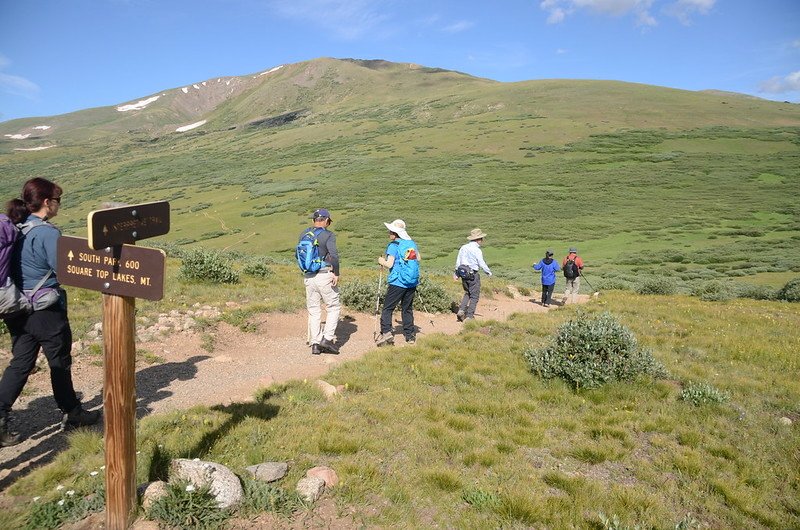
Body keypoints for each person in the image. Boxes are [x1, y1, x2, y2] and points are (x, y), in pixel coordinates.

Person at [1, 178, 100, 447]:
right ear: (47, 203)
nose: (58, 205)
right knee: (59, 361)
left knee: (21, 362)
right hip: (46, 309)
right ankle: (73, 413)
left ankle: (0, 416)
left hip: (17, 306)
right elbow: (63, 269)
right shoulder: (47, 233)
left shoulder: (16, 227)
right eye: (58, 200)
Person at [300, 208, 341, 355]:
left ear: (313, 220)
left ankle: (315, 344)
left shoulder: (304, 234)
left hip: (308, 276)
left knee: (314, 310)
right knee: (333, 306)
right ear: (327, 221)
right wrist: (336, 273)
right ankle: (327, 339)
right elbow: (334, 256)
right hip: (324, 275)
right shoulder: (328, 235)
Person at [375, 220, 420, 346]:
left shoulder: (393, 245)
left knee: (388, 308)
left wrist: (381, 261)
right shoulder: (411, 244)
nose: (389, 233)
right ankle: (410, 336)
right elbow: (419, 258)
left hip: (398, 282)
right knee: (407, 309)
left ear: (395, 233)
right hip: (411, 282)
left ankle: (387, 333)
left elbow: (389, 263)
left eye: (391, 231)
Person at [454, 228, 492, 321]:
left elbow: (458, 261)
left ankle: (461, 310)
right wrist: (488, 272)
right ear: (478, 239)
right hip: (473, 274)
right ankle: (470, 316)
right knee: (474, 296)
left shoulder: (463, 247)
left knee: (467, 293)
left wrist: (456, 273)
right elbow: (481, 262)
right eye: (482, 239)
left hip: (463, 273)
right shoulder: (477, 250)